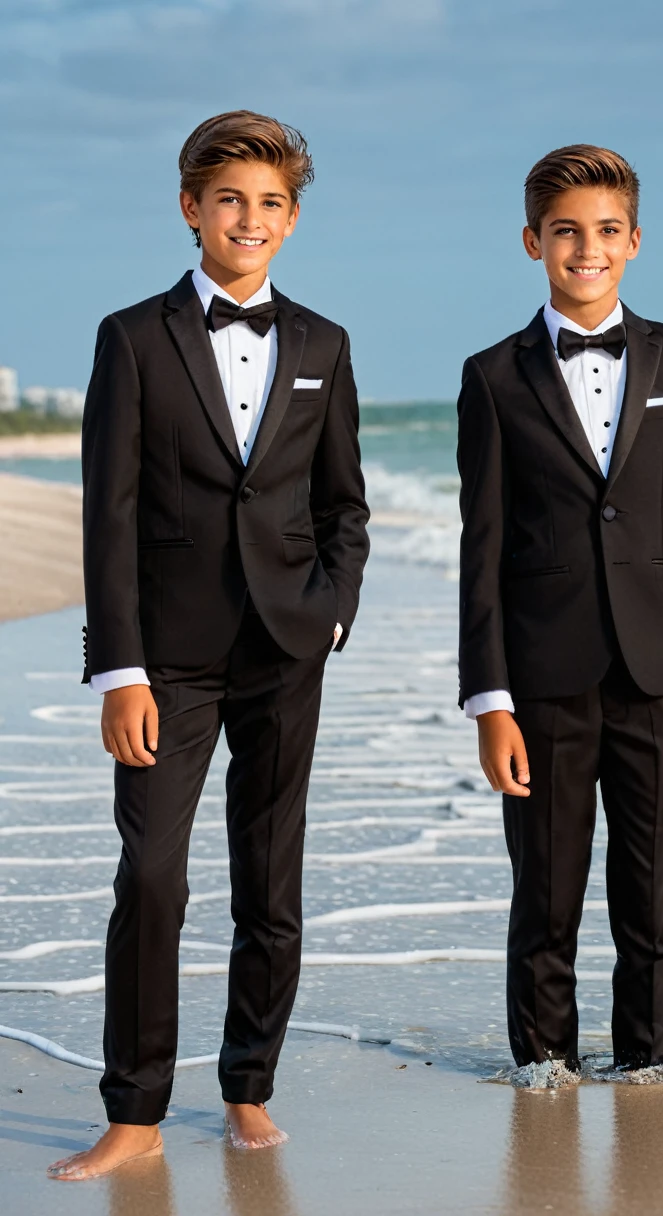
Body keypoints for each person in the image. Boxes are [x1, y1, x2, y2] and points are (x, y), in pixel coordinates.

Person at [48, 110, 370, 1180]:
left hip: (287, 649)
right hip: (168, 656)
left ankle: (247, 1087)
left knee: (270, 878)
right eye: (230, 198)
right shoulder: (132, 337)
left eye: (272, 202)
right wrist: (120, 668)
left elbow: (343, 506)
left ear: (292, 219)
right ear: (191, 207)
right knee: (153, 877)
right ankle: (134, 1110)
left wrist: (330, 609)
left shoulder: (324, 342)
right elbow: (109, 514)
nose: (250, 218)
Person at [457, 144, 663, 1077]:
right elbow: (484, 550)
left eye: (607, 231)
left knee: (653, 900)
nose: (588, 248)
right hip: (542, 680)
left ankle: (649, 1074)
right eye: (568, 232)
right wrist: (488, 700)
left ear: (634, 242)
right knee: (545, 896)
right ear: (533, 241)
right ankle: (545, 1078)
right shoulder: (493, 377)